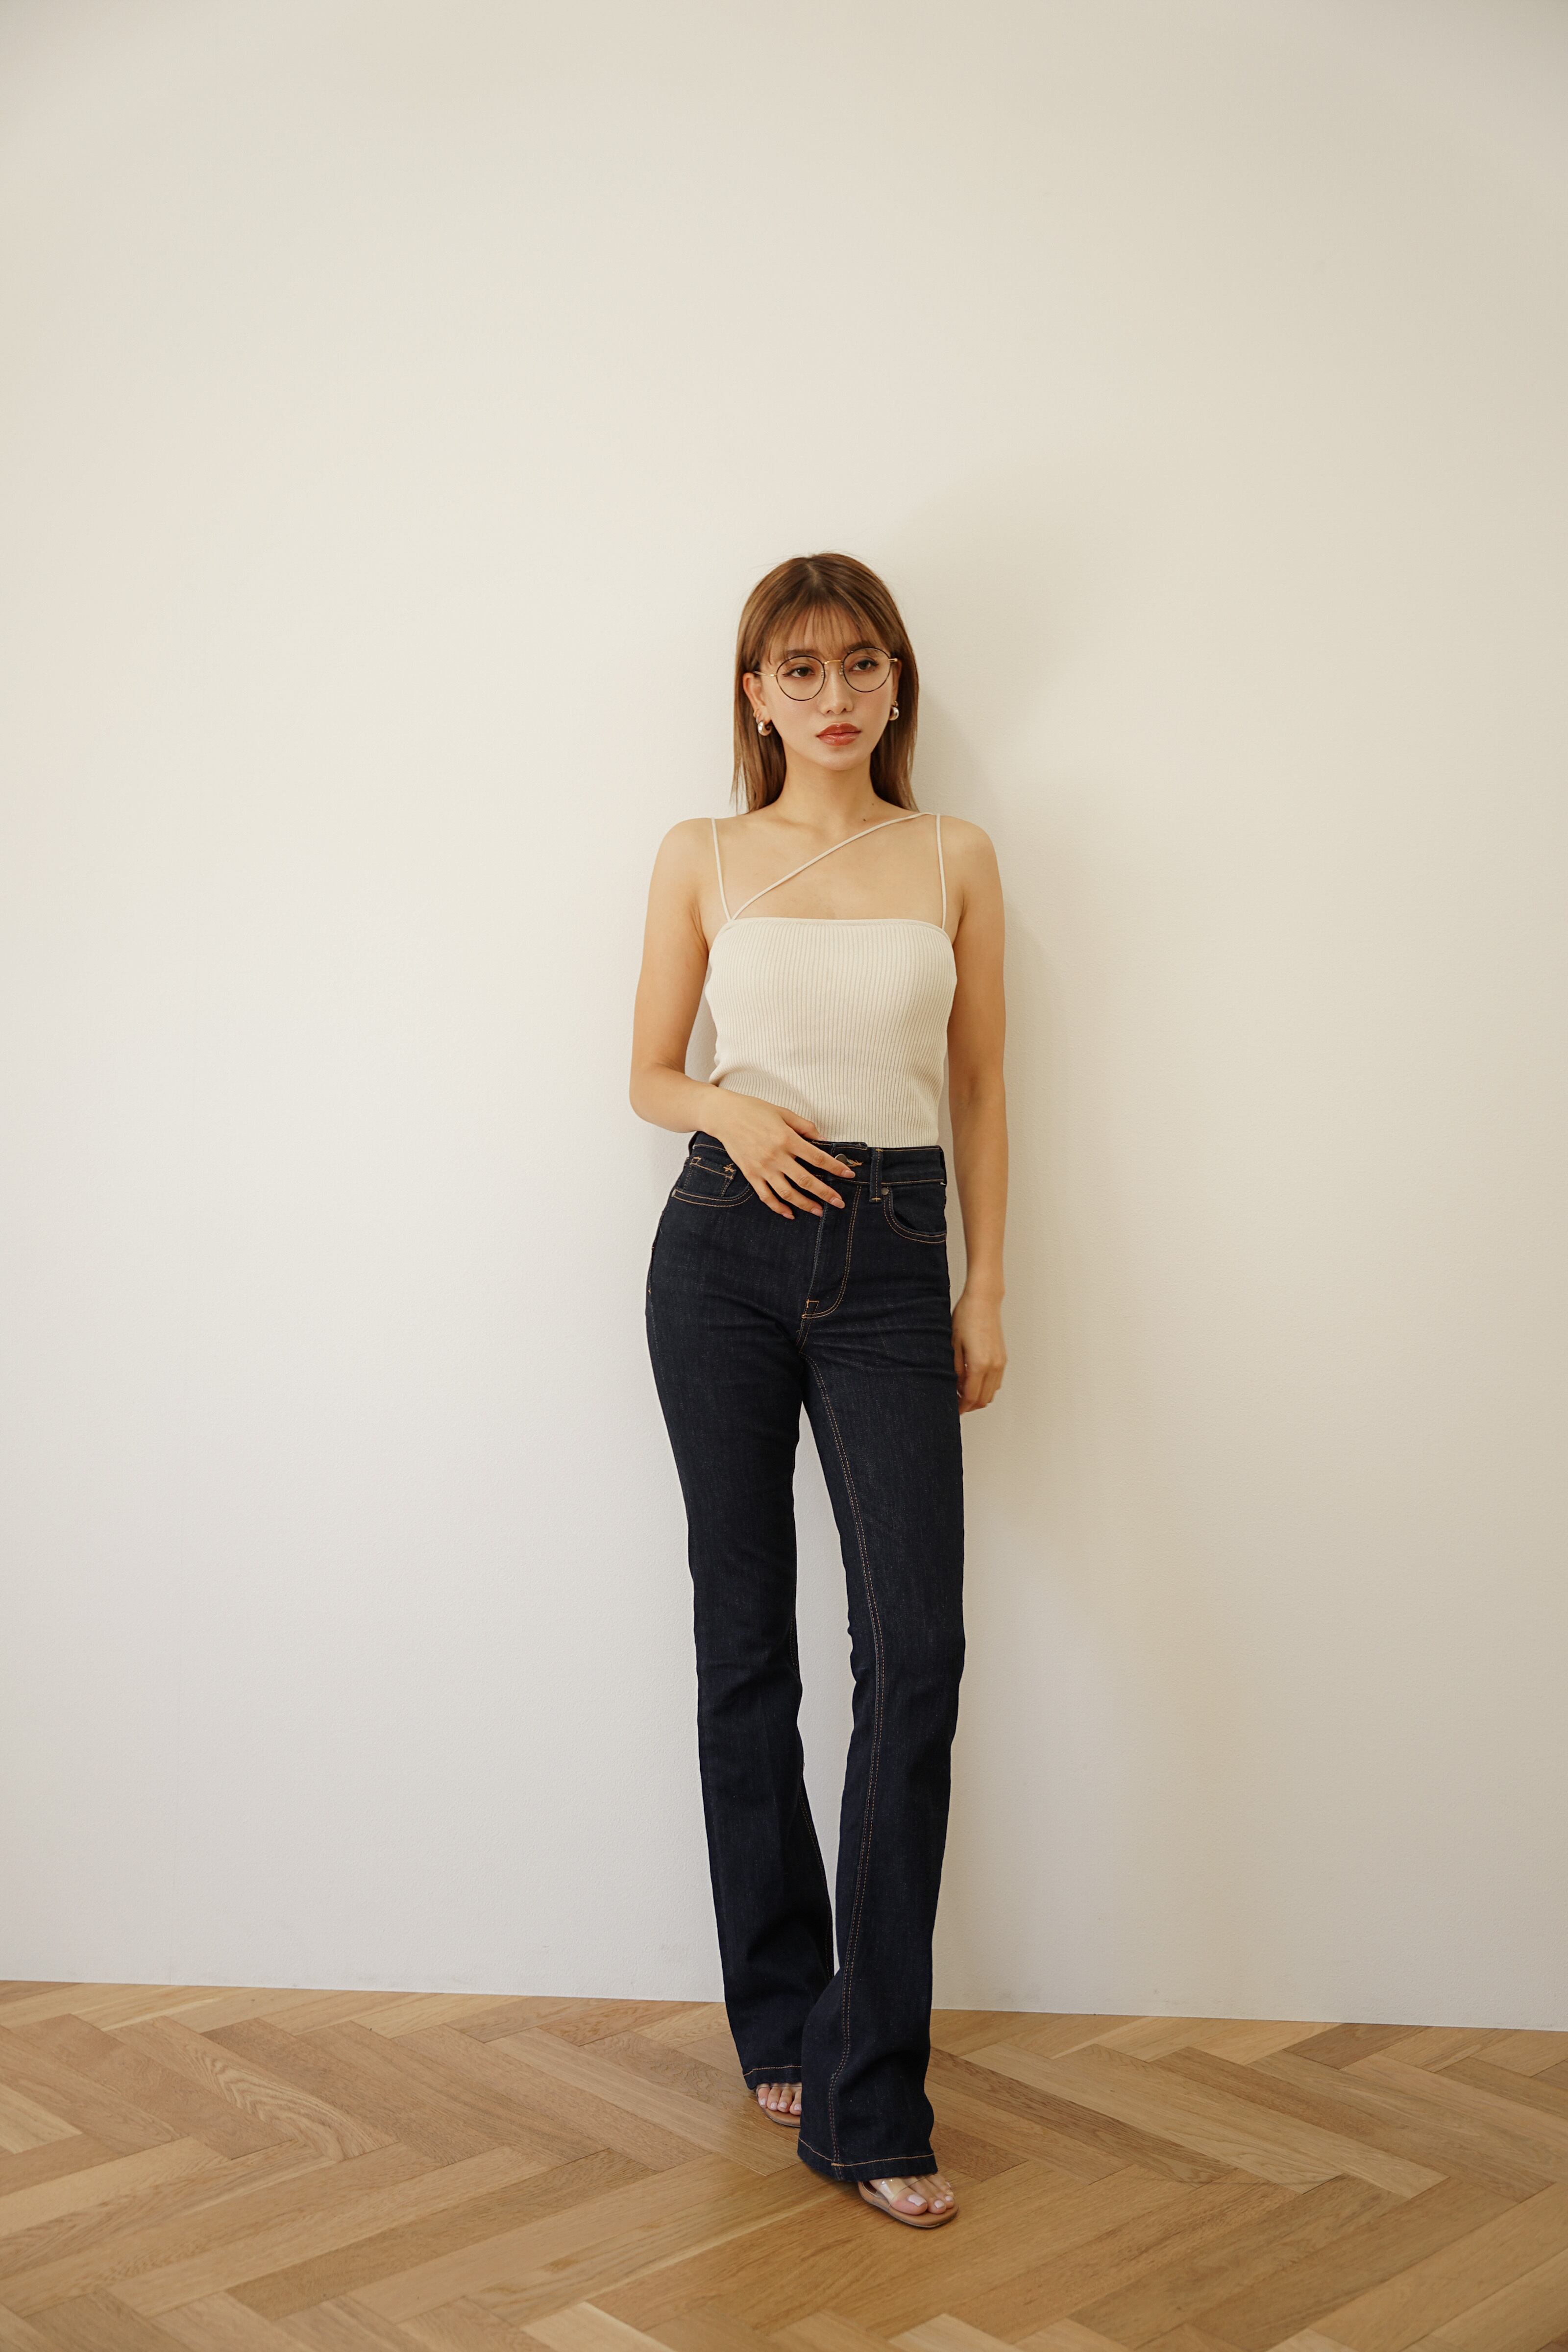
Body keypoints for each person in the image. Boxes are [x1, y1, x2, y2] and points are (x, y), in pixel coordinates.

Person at [629, 552, 1007, 2230]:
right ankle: (781, 2013)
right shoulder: (701, 855)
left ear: (897, 682)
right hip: (722, 1247)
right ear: (756, 695)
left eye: (862, 665)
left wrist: (987, 1281)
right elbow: (648, 1074)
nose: (835, 695)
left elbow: (982, 1083)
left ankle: (869, 2091)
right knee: (746, 1643)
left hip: (897, 1249)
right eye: (801, 671)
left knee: (915, 1653)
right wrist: (731, 1110)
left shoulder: (956, 855)